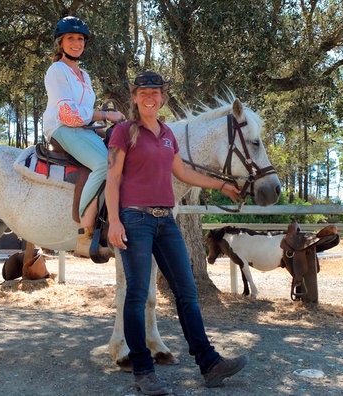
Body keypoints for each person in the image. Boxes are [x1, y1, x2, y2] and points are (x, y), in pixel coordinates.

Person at [105, 71, 248, 395]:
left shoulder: (167, 133)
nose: (150, 97)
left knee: (186, 292)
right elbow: (112, 179)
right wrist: (114, 221)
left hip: (166, 222)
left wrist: (223, 185)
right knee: (138, 295)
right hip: (135, 220)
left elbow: (183, 172)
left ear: (163, 97)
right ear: (135, 96)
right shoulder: (124, 132)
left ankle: (209, 364)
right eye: (144, 92)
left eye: (156, 92)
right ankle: (143, 371)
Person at [42, 16, 125, 257]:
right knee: (103, 164)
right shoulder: (57, 70)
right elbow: (68, 114)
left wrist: (104, 127)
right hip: (61, 129)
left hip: (81, 130)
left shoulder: (85, 76)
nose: (76, 43)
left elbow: (84, 116)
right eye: (70, 38)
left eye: (80, 39)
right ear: (61, 43)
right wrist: (105, 114)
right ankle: (83, 230)